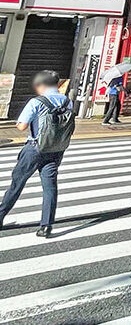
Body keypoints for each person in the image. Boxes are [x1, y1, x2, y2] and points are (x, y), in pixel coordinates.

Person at [0, 70, 70, 237]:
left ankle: (0, 216)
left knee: (17, 183)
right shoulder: (68, 101)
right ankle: (46, 225)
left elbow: (22, 126)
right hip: (55, 149)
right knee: (50, 186)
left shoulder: (36, 102)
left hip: (35, 147)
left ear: (42, 85)